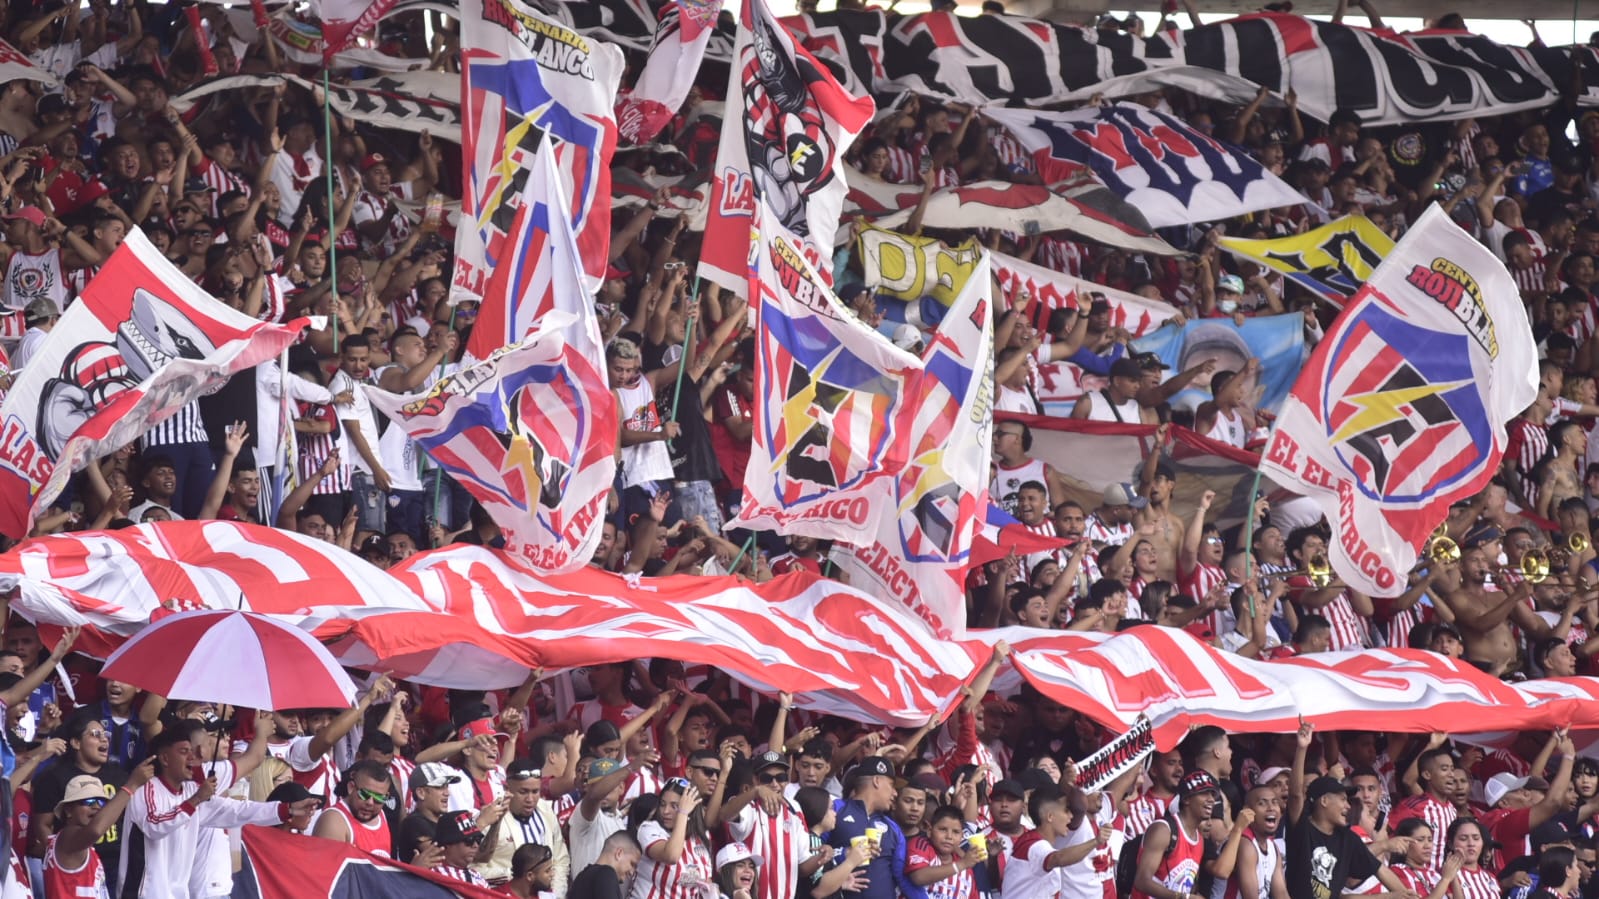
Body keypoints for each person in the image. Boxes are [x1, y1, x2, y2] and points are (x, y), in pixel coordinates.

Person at [119, 727, 318, 898]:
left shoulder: (190, 790)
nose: (192, 758)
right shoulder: (146, 788)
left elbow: (237, 810)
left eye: (193, 751)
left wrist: (288, 809)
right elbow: (155, 825)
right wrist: (196, 800)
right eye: (183, 751)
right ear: (164, 758)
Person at [44, 760, 154, 899]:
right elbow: (96, 830)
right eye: (88, 801)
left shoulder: (83, 845)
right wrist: (131, 785)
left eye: (101, 802)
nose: (96, 806)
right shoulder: (66, 838)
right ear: (68, 810)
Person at [477, 759, 570, 891]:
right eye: (523, 792)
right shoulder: (489, 817)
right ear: (507, 789)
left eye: (535, 792)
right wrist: (516, 875)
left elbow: (560, 859)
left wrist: (555, 894)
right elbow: (474, 869)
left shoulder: (546, 811)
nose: (530, 799)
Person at [633, 777, 713, 899]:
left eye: (674, 806)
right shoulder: (649, 829)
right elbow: (671, 856)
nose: (665, 811)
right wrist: (683, 812)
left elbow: (706, 884)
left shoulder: (700, 839)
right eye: (663, 804)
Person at [310, 758, 393, 856]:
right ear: (351, 787)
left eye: (378, 798)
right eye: (364, 794)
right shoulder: (334, 821)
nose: (370, 802)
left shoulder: (381, 815)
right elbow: (326, 869)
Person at [570, 831, 643, 899]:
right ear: (619, 853)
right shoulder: (606, 873)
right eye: (632, 864)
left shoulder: (581, 876)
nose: (631, 872)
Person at [433, 809, 491, 887]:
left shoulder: (477, 877)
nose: (475, 845)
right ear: (448, 843)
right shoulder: (431, 874)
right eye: (469, 840)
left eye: (478, 840)